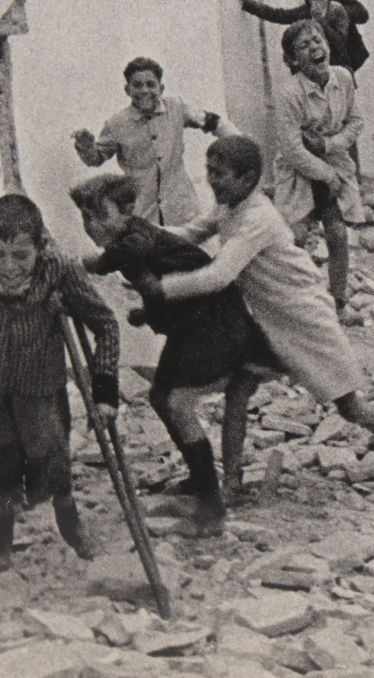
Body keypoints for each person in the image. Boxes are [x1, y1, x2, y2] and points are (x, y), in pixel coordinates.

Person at [137, 136, 374, 477]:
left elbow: (219, 275)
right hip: (268, 322)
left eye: (220, 174)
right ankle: (231, 481)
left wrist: (161, 290)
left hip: (305, 318)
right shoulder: (229, 208)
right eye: (209, 172)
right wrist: (138, 232)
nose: (212, 180)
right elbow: (188, 233)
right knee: (237, 393)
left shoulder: (258, 218)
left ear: (247, 179)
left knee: (348, 405)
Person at [69, 173, 281, 531]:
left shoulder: (135, 236)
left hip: (215, 322)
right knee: (159, 396)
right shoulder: (130, 240)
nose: (92, 226)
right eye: (86, 218)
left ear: (128, 211)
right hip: (192, 323)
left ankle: (212, 507)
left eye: (101, 216)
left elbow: (125, 256)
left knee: (178, 403)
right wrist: (149, 313)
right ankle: (200, 480)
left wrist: (81, 264)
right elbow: (157, 282)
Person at [0, 194, 120, 574]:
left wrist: (104, 393)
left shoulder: (58, 268)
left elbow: (106, 324)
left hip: (41, 389)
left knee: (51, 454)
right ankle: (0, 532)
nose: (8, 267)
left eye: (20, 256)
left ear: (39, 246)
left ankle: (69, 521)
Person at [72, 57, 237, 225]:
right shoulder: (116, 124)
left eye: (151, 85)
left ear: (161, 88)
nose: (144, 91)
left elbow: (214, 122)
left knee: (193, 249)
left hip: (182, 208)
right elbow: (95, 159)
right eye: (137, 85)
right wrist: (86, 146)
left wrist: (243, 147)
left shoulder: (176, 107)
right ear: (127, 90)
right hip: (143, 213)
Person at [274, 20, 364, 324]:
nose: (315, 48)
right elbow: (293, 150)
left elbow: (355, 122)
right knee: (295, 240)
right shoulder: (289, 94)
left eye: (317, 40)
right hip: (300, 171)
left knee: (338, 234)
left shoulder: (343, 79)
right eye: (304, 46)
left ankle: (339, 303)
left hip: (334, 162)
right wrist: (325, 174)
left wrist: (329, 145)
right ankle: (288, 309)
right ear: (293, 60)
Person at [237, 0, 370, 75]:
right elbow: (280, 15)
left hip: (349, 53)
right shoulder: (308, 8)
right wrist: (248, 3)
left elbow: (362, 15)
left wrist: (331, 12)